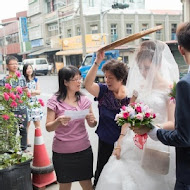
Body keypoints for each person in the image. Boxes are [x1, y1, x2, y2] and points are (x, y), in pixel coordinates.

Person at [95, 40, 179, 190]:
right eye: (140, 68)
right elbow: (127, 115)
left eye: (147, 68)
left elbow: (173, 123)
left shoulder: (170, 88)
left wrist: (150, 127)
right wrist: (120, 141)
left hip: (157, 143)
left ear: (158, 65)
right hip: (132, 144)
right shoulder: (137, 88)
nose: (143, 72)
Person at [135, 22, 190, 190]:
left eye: (147, 67)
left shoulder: (182, 85)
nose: (143, 72)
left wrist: (151, 130)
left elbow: (183, 136)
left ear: (180, 49)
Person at [46, 65, 97, 190]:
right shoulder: (54, 101)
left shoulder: (84, 100)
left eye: (80, 78)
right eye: (75, 79)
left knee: (87, 184)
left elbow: (92, 124)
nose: (79, 82)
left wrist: (92, 121)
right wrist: (58, 121)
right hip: (62, 153)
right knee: (64, 186)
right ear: (65, 82)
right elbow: (48, 127)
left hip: (83, 150)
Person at [84, 55, 130, 187]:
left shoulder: (129, 96)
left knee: (120, 174)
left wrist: (121, 141)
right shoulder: (103, 90)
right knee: (102, 170)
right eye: (106, 77)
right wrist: (97, 62)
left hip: (124, 141)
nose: (107, 80)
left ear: (121, 79)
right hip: (105, 139)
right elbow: (87, 84)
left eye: (111, 78)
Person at [2, 55, 29, 151]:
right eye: (12, 64)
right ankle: (11, 150)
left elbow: (25, 91)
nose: (14, 66)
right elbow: (3, 95)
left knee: (23, 130)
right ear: (7, 66)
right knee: (12, 131)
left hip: (22, 108)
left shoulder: (22, 77)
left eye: (16, 64)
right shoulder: (4, 79)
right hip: (11, 110)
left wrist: (25, 91)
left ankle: (24, 149)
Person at [23, 64, 43, 147]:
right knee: (27, 124)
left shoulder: (35, 79)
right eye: (27, 68)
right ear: (24, 70)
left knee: (37, 124)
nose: (29, 70)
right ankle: (27, 142)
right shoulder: (23, 80)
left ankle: (39, 140)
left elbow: (39, 92)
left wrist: (30, 91)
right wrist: (33, 92)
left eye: (30, 68)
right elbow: (23, 91)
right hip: (26, 103)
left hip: (34, 103)